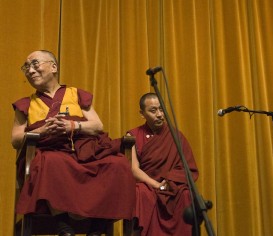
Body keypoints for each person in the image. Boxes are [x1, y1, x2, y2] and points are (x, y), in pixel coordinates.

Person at [12, 50, 136, 236]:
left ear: (53, 67)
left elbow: (97, 125)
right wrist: (42, 130)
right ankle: (63, 225)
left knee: (117, 164)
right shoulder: (26, 104)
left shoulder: (75, 94)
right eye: (26, 67)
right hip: (51, 151)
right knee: (52, 162)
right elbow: (15, 139)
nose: (30, 70)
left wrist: (73, 125)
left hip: (84, 151)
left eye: (35, 64)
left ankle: (97, 227)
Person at [127, 92, 199, 236]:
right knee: (139, 192)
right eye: (153, 111)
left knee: (185, 194)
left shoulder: (175, 135)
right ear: (142, 114)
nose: (160, 114)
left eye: (161, 109)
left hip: (170, 184)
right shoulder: (132, 135)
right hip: (148, 184)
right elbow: (134, 170)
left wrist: (169, 181)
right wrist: (157, 185)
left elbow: (187, 168)